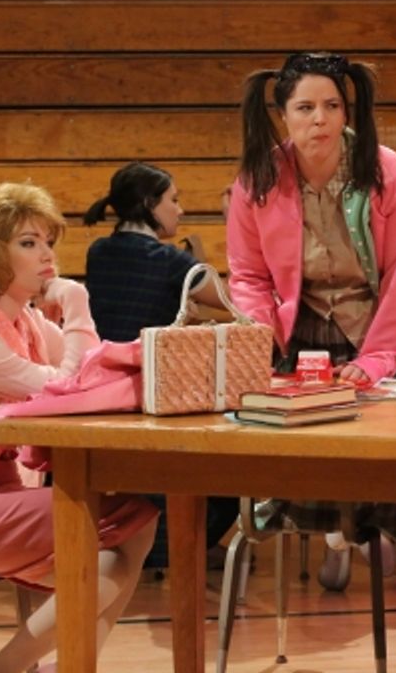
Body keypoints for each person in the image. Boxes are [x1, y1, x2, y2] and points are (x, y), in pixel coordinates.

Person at [0, 183, 159, 673]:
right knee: (126, 527)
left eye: (48, 242)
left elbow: (91, 369)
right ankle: (0, 670)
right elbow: (66, 390)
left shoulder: (23, 321)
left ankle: (59, 668)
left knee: (131, 533)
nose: (47, 255)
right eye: (28, 242)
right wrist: (80, 305)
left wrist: (74, 321)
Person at [226, 51, 396, 590]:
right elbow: (248, 275)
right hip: (305, 339)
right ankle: (342, 541)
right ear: (282, 113)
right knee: (318, 482)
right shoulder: (257, 179)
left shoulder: (389, 172)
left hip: (388, 332)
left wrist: (377, 358)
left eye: (332, 106)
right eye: (305, 107)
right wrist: (259, 334)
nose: (320, 119)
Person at [83, 161, 238, 572]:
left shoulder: (98, 252)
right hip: (153, 391)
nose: (181, 210)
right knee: (234, 456)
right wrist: (234, 222)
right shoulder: (169, 260)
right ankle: (183, 544)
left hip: (97, 388)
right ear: (150, 204)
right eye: (175, 200)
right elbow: (231, 303)